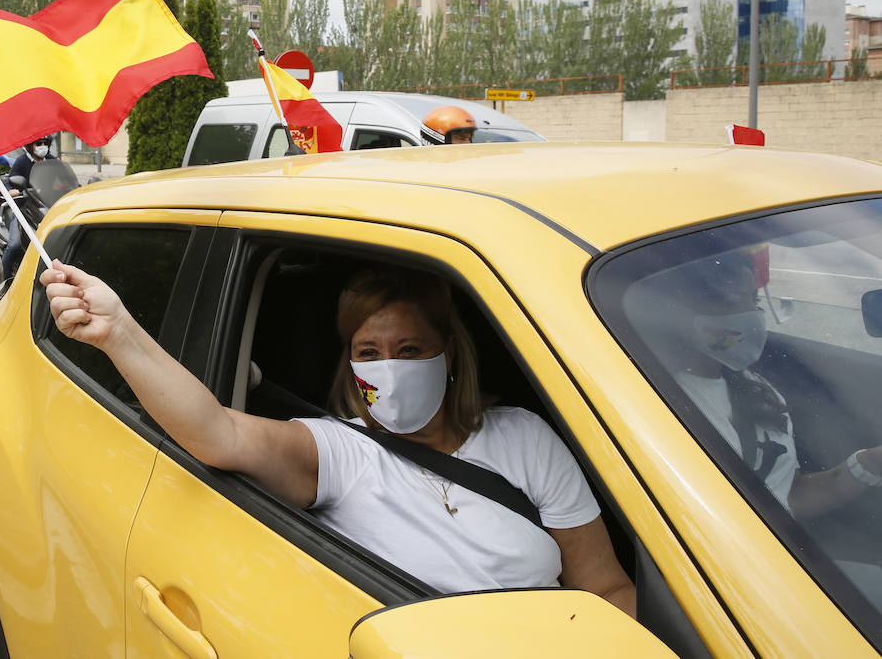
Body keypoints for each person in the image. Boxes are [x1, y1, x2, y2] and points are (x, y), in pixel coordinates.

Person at [41, 260, 636, 614]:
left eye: (410, 350)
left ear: (448, 354)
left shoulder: (525, 437)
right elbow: (218, 433)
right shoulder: (341, 452)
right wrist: (118, 332)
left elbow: (606, 587)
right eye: (368, 353)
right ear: (350, 364)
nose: (390, 368)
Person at [657, 252, 882, 520]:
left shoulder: (756, 387)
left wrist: (871, 463)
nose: (751, 315)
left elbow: (789, 496)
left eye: (753, 300)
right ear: (687, 312)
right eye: (733, 301)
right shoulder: (668, 406)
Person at [1, 137, 55, 276]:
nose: (42, 146)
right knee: (14, 245)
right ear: (31, 146)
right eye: (39, 144)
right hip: (23, 208)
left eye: (45, 144)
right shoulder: (21, 162)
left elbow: (63, 177)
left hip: (48, 206)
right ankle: (3, 277)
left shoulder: (51, 160)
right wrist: (11, 190)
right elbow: (10, 180)